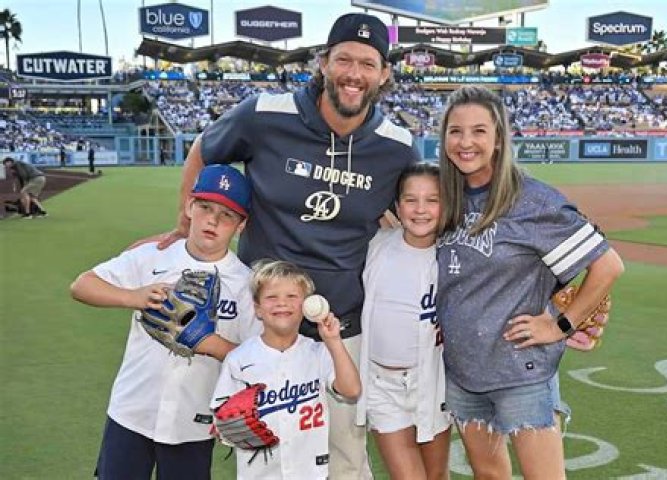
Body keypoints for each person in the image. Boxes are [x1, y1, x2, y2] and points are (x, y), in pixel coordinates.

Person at [144, 12, 420, 478]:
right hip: (261, 318)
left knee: (345, 453)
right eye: (344, 60)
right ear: (324, 63)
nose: (354, 74)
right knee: (260, 446)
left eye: (368, 64)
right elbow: (203, 151)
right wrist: (183, 224)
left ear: (384, 74)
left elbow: (414, 214)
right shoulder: (265, 114)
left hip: (341, 324)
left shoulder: (396, 146)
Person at [435, 86, 624, 479]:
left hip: (522, 371)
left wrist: (560, 324)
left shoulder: (531, 200)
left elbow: (608, 265)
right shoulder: (444, 199)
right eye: (455, 131)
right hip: (462, 372)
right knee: (488, 475)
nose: (465, 142)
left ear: (498, 139)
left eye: (479, 131)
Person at [70, 164, 262, 480]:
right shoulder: (154, 256)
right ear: (189, 206)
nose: (213, 220)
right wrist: (134, 297)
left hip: (193, 421)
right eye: (205, 207)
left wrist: (210, 344)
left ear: (241, 225)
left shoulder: (245, 283)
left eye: (227, 215)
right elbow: (82, 285)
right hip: (131, 410)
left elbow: (258, 360)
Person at [211, 259, 361, 479]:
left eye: (292, 296)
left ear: (306, 306)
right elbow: (222, 419)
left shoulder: (318, 352)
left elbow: (352, 390)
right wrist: (230, 426)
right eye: (271, 297)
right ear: (257, 309)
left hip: (310, 473)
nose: (282, 303)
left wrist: (334, 341)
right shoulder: (239, 359)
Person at [356, 163, 451, 479]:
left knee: (436, 476)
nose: (420, 209)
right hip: (381, 384)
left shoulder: (454, 256)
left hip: (432, 382)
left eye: (432, 200)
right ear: (397, 206)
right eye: (411, 200)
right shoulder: (377, 245)